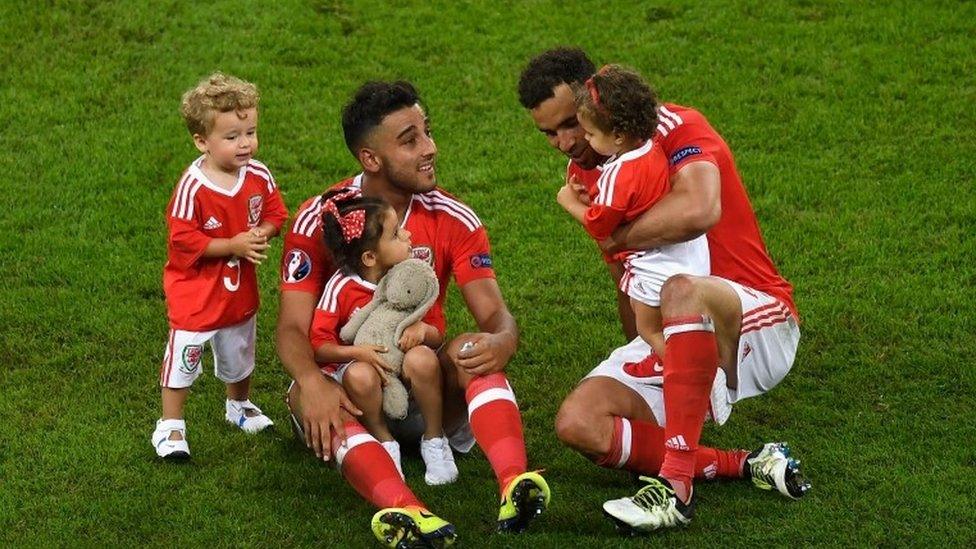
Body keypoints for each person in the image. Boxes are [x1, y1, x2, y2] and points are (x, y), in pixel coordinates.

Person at [518, 48, 810, 533]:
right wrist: (647, 347)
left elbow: (700, 210)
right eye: (548, 133)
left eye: (572, 123)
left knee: (680, 290)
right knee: (579, 423)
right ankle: (747, 461)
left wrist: (611, 234)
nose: (566, 142)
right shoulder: (590, 170)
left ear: (594, 98)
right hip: (670, 325)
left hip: (754, 320)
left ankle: (675, 490)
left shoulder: (676, 127)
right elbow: (627, 275)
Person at [276, 80, 549, 546]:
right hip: (353, 391)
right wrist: (313, 381)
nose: (430, 148)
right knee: (305, 395)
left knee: (470, 348)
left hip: (427, 389)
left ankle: (514, 483)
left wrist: (502, 340)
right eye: (410, 140)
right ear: (370, 158)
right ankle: (408, 512)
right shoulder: (322, 219)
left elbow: (495, 317)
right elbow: (292, 328)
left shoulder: (453, 218)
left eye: (427, 132)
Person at [152, 72, 288, 460]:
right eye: (232, 137)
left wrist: (262, 231)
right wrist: (232, 244)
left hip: (238, 290)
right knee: (185, 355)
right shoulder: (193, 187)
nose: (245, 143)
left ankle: (238, 406)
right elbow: (182, 239)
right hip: (196, 293)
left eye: (250, 132)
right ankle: (171, 426)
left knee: (240, 352)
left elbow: (277, 213)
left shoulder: (258, 174)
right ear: (202, 141)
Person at [555, 63, 710, 364]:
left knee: (649, 329)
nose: (585, 140)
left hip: (653, 267)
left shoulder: (616, 171)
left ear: (617, 136)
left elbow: (600, 226)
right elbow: (632, 200)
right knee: (681, 326)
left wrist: (571, 203)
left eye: (590, 133)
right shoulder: (652, 149)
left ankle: (688, 371)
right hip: (688, 256)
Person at [310, 189, 458, 485]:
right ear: (369, 257)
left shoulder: (412, 276)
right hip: (366, 377)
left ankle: (434, 439)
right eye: (395, 234)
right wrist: (357, 353)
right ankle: (384, 442)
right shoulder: (341, 287)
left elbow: (438, 331)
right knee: (361, 375)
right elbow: (319, 345)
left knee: (423, 358)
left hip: (405, 373)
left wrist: (422, 331)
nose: (407, 235)